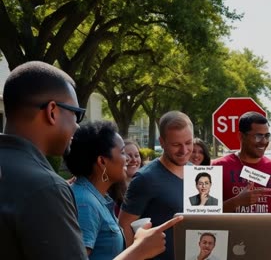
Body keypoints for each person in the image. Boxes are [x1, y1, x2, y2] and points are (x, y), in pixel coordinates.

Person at [0, 61, 181, 260]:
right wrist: (138, 251)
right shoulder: (47, 188)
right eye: (76, 114)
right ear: (52, 111)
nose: (77, 127)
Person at [119, 110, 194, 260]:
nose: (184, 150)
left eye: (188, 143)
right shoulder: (145, 178)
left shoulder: (198, 174)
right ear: (162, 142)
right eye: (176, 144)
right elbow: (124, 226)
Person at [64, 121, 129, 259]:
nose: (127, 159)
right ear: (102, 161)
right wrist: (140, 249)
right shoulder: (85, 203)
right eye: (123, 152)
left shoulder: (96, 197)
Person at [212, 111, 271, 213]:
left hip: (266, 229)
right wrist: (236, 202)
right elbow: (204, 215)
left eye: (267, 136)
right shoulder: (217, 167)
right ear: (241, 137)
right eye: (258, 136)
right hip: (231, 229)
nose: (264, 141)